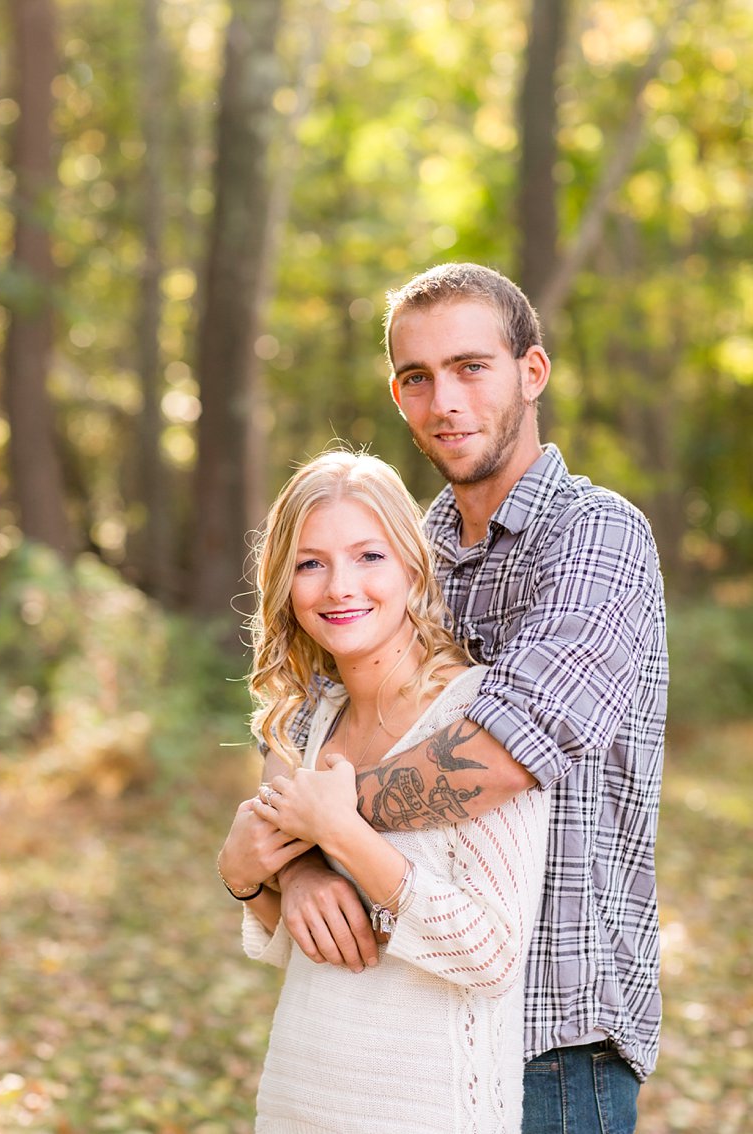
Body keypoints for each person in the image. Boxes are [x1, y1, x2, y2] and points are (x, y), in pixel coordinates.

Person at [223, 263, 668, 1134]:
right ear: (398, 395)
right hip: (403, 1030)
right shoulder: (398, 549)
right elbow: (306, 718)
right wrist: (302, 864)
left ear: (531, 373)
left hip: (555, 1031)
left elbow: (503, 755)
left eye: (472, 367)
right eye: (418, 378)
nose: (446, 400)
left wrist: (317, 826)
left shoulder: (598, 534)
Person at [219, 450, 551, 1132]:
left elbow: (491, 955)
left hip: (426, 1108)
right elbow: (306, 940)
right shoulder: (311, 722)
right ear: (284, 583)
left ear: (412, 566)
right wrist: (249, 878)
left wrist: (342, 833)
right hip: (299, 1096)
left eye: (368, 556)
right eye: (311, 563)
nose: (340, 586)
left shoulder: (474, 720)